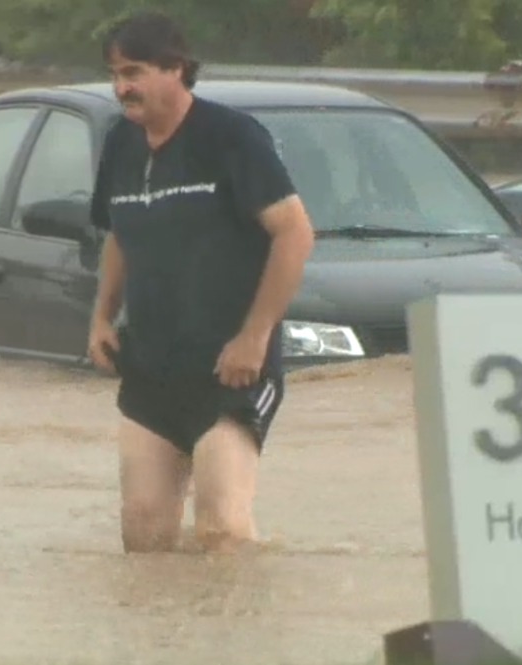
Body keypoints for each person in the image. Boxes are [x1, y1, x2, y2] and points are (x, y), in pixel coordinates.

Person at [86, 11, 316, 554]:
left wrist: (254, 337)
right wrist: (101, 315)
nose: (122, 87)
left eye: (134, 72)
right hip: (151, 367)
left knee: (222, 530)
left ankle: (241, 636)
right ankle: (164, 641)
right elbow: (118, 233)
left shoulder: (231, 137)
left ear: (176, 69)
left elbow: (295, 234)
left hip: (230, 372)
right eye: (115, 74)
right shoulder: (121, 143)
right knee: (143, 533)